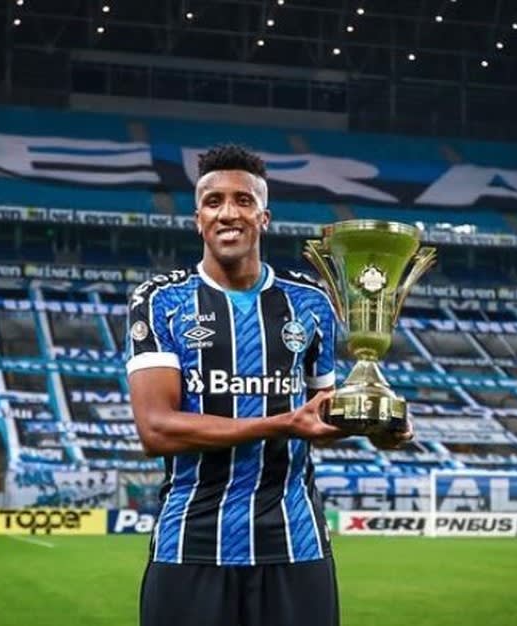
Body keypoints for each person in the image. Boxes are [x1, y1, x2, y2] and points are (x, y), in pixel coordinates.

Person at [126, 144, 412, 626]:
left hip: (294, 543)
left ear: (264, 217)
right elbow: (156, 430)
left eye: (243, 200)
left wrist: (377, 423)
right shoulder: (159, 300)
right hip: (192, 543)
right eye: (214, 202)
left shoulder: (311, 301)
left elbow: (320, 415)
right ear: (198, 218)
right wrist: (282, 422)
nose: (228, 213)